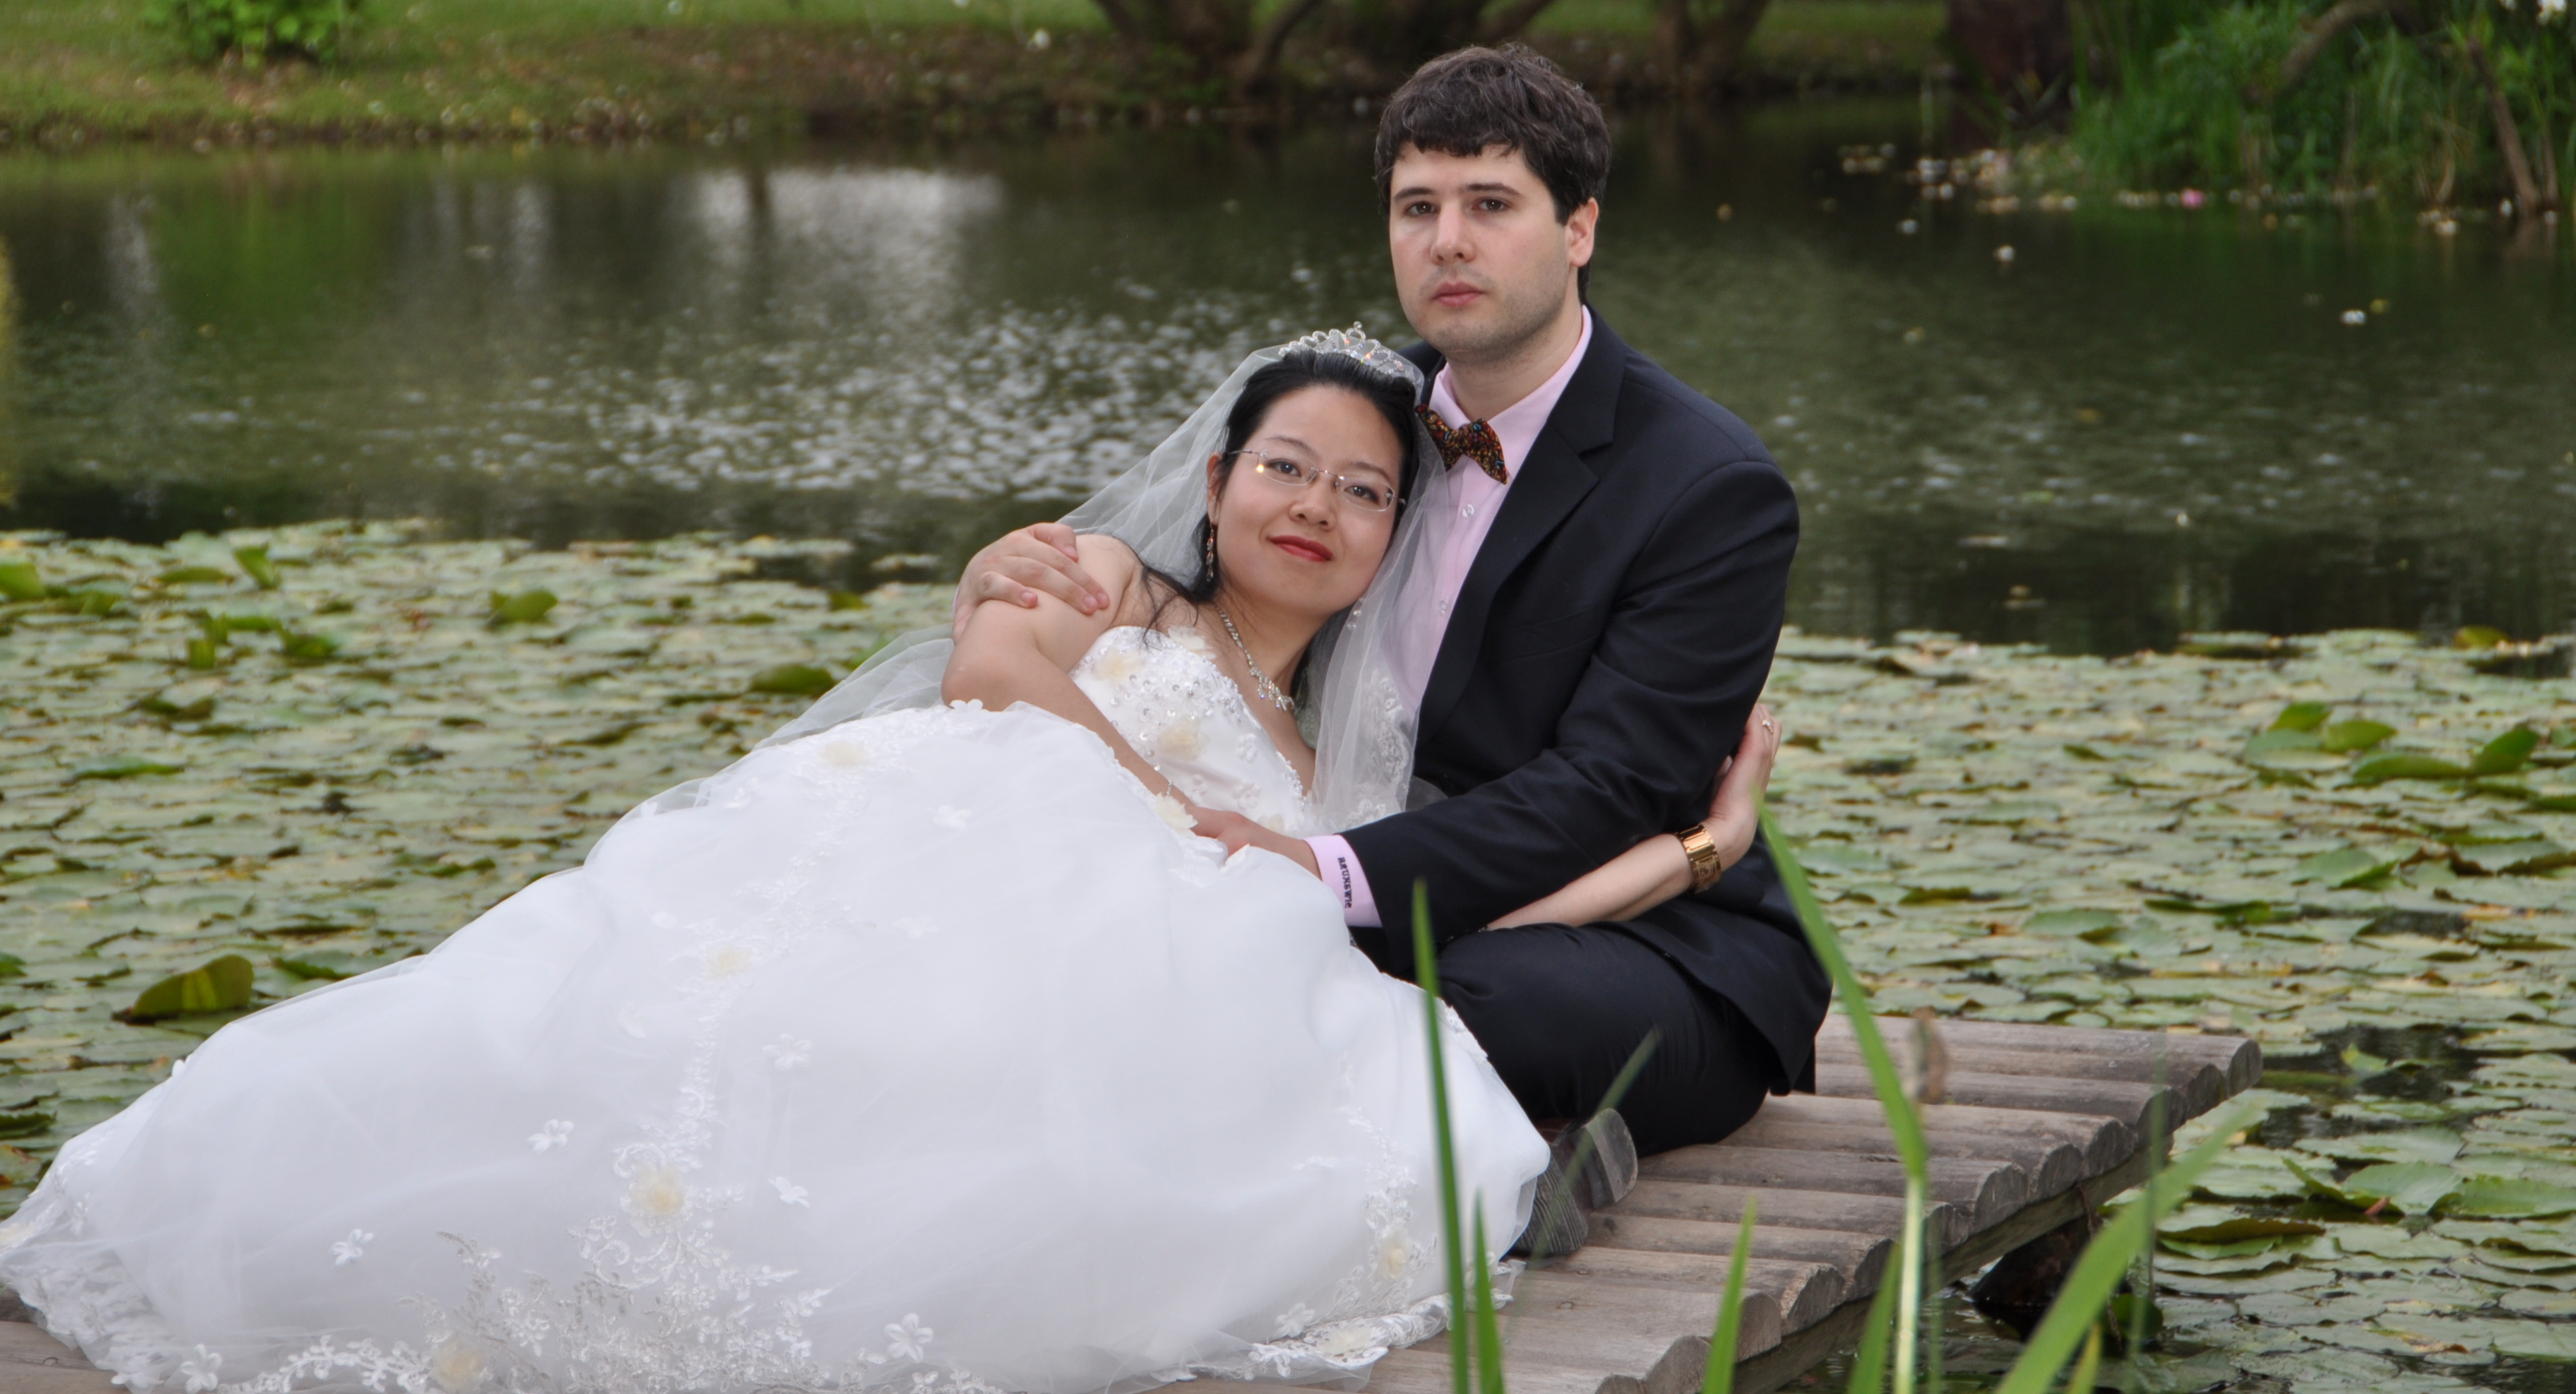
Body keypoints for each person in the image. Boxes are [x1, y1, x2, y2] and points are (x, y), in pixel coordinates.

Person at [0, 329, 1754, 1394]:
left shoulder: (1338, 764)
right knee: (696, 1023)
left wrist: (1698, 845)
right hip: (974, 827)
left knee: (1234, 1063)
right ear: (1218, 481)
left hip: (1147, 929)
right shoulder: (1119, 587)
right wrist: (1171, 811)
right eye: (1285, 468)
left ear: (1390, 542)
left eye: (1362, 493)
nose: (1316, 507)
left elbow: (1462, 896)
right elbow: (992, 673)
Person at [959, 46, 1829, 1181]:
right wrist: (1007, 577)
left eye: (1490, 205)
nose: (1448, 240)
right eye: (1418, 207)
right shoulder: (1357, 415)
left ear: (1579, 229)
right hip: (1336, 895)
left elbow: (1609, 790)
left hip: (1638, 940)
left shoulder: (1706, 488)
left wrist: (1318, 871)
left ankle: (1503, 1173)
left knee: (1455, 1000)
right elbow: (1193, 583)